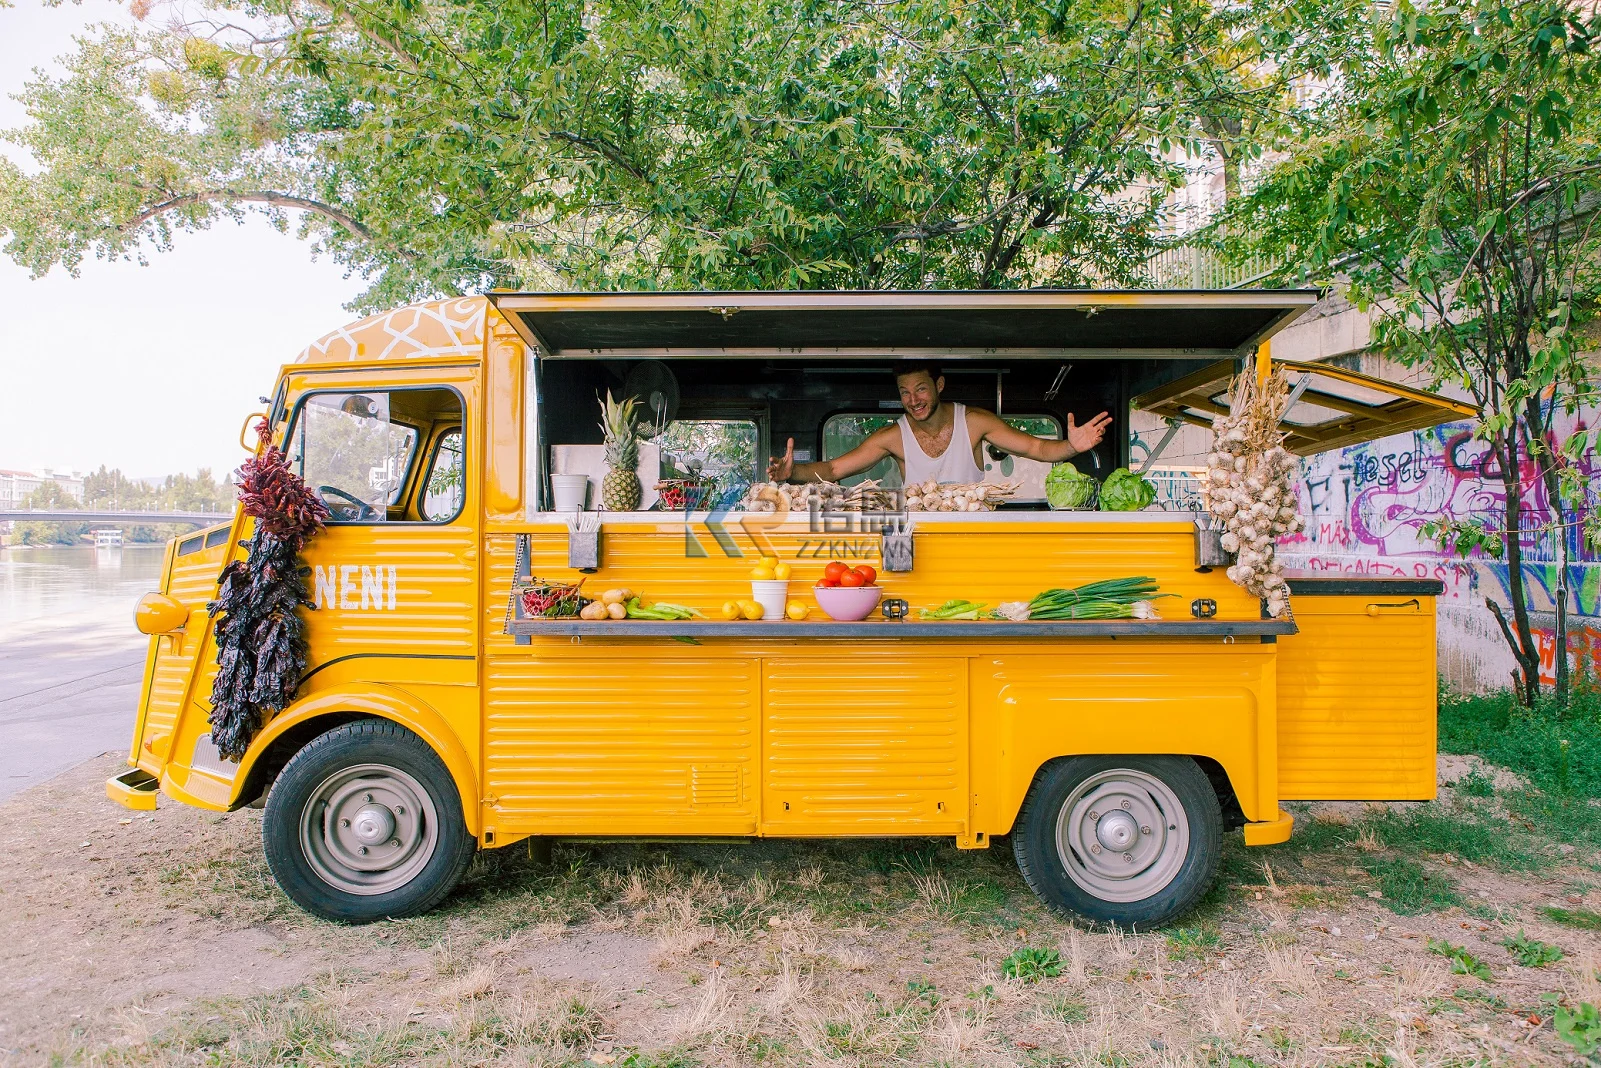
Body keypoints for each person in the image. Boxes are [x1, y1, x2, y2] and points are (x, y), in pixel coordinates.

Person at [767, 362, 1112, 486]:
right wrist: (790, 474)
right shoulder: (892, 437)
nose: (913, 400)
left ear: (939, 386)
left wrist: (1072, 446)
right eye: (904, 392)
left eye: (920, 389)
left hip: (970, 538)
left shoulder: (974, 422)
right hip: (910, 541)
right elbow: (833, 468)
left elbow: (1036, 447)